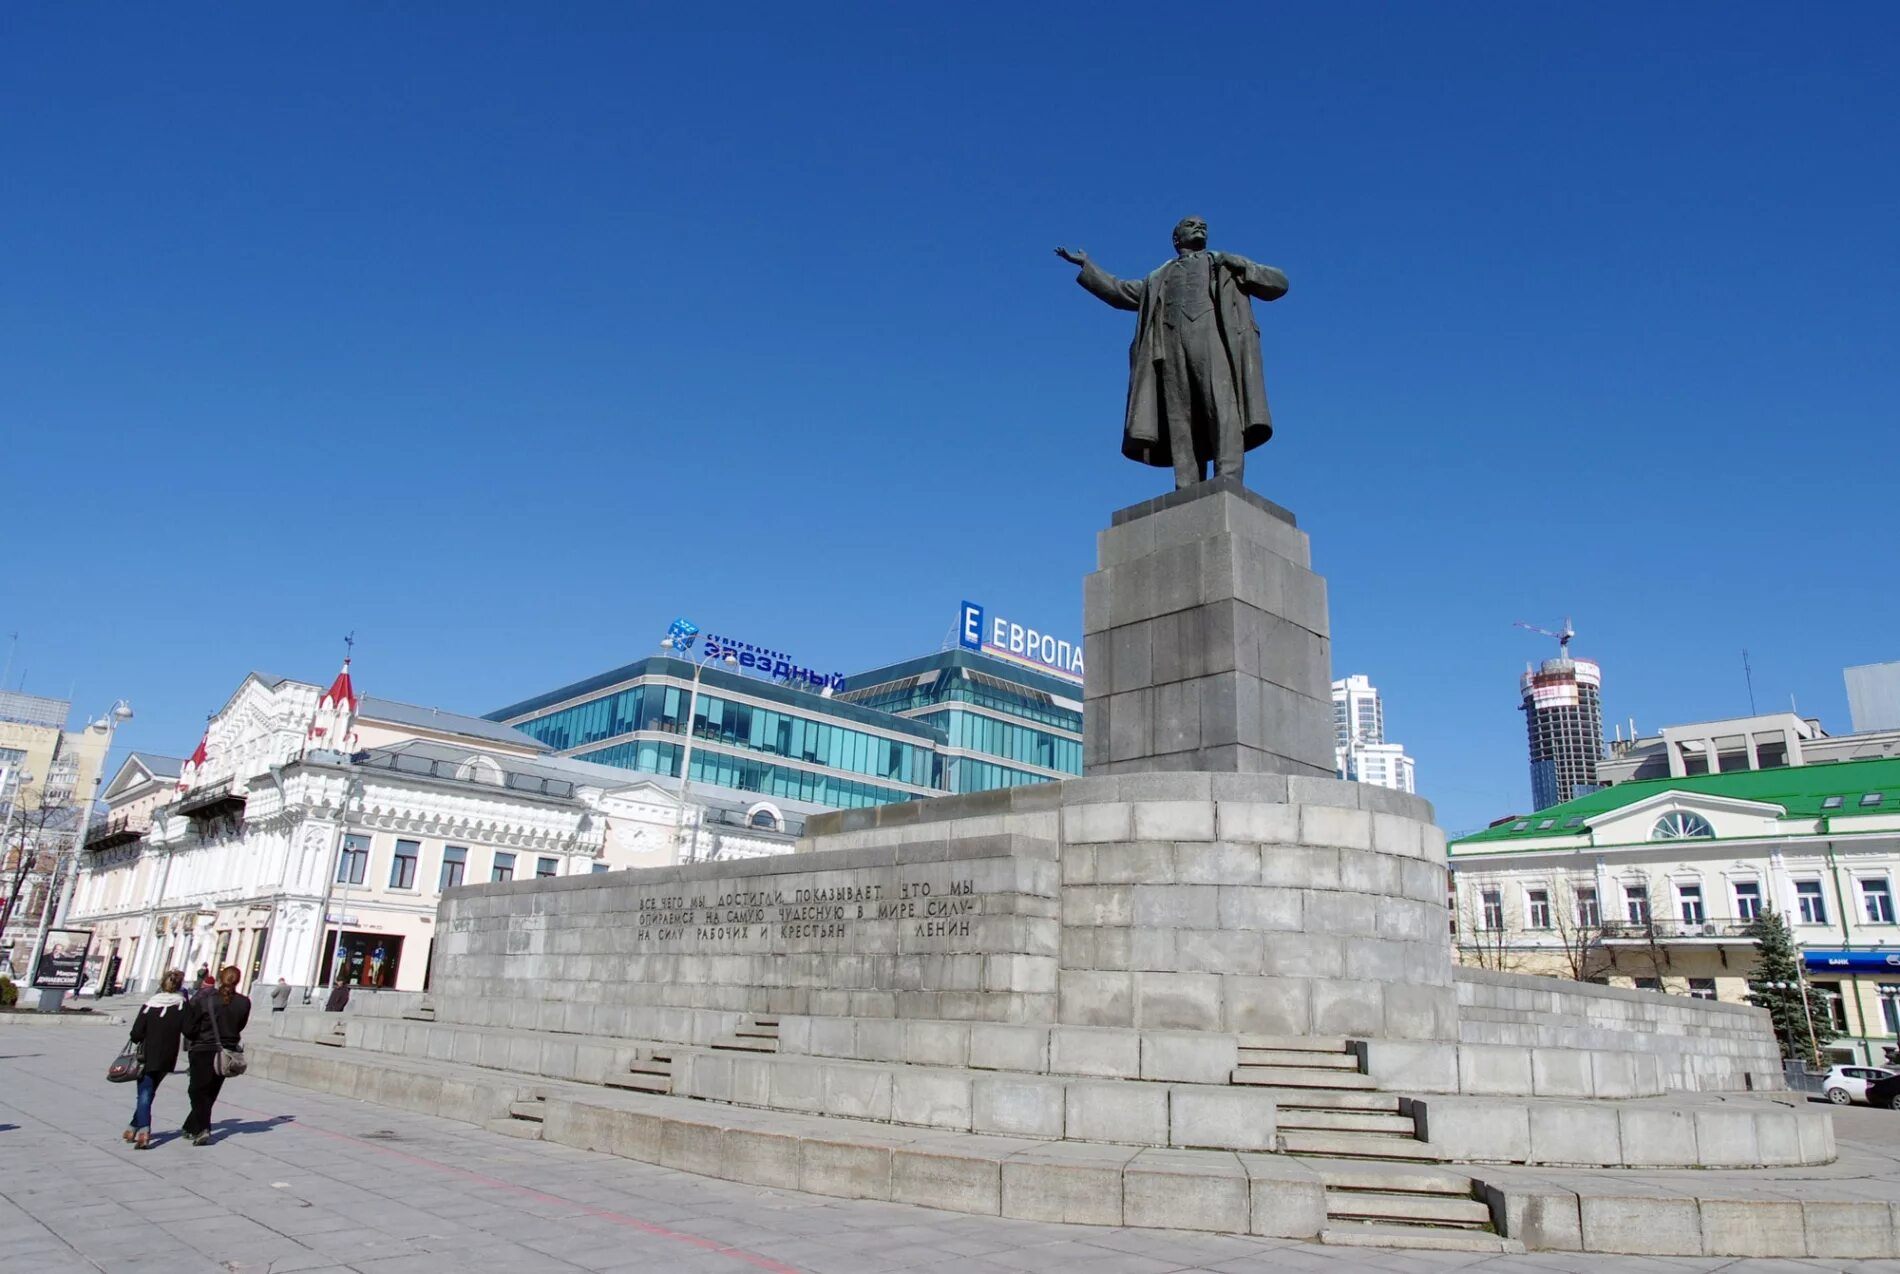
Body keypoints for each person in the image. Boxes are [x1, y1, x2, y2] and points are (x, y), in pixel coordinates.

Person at [1055, 217, 1289, 491]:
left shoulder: (1224, 265)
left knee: (1222, 407)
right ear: (1176, 239)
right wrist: (1087, 267)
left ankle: (1227, 477)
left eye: (1203, 225)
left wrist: (1243, 265)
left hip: (1215, 339)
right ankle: (1187, 483)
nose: (1200, 227)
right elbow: (1120, 292)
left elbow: (1279, 283)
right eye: (1191, 225)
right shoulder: (1158, 278)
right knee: (1180, 415)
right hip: (1169, 347)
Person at [179, 965, 251, 1146]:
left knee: (196, 1090)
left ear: (220, 978)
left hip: (203, 1049)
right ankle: (191, 1126)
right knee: (210, 1091)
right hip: (226, 1052)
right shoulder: (244, 1002)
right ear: (238, 980)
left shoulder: (207, 999)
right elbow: (240, 1025)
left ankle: (203, 1128)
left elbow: (189, 1028)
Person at [123, 970, 187, 1150]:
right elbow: (189, 1030)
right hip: (167, 1057)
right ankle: (132, 1127)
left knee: (144, 1092)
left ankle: (144, 1129)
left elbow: (136, 1034)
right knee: (149, 1091)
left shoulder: (150, 1005)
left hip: (147, 1055)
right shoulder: (182, 1005)